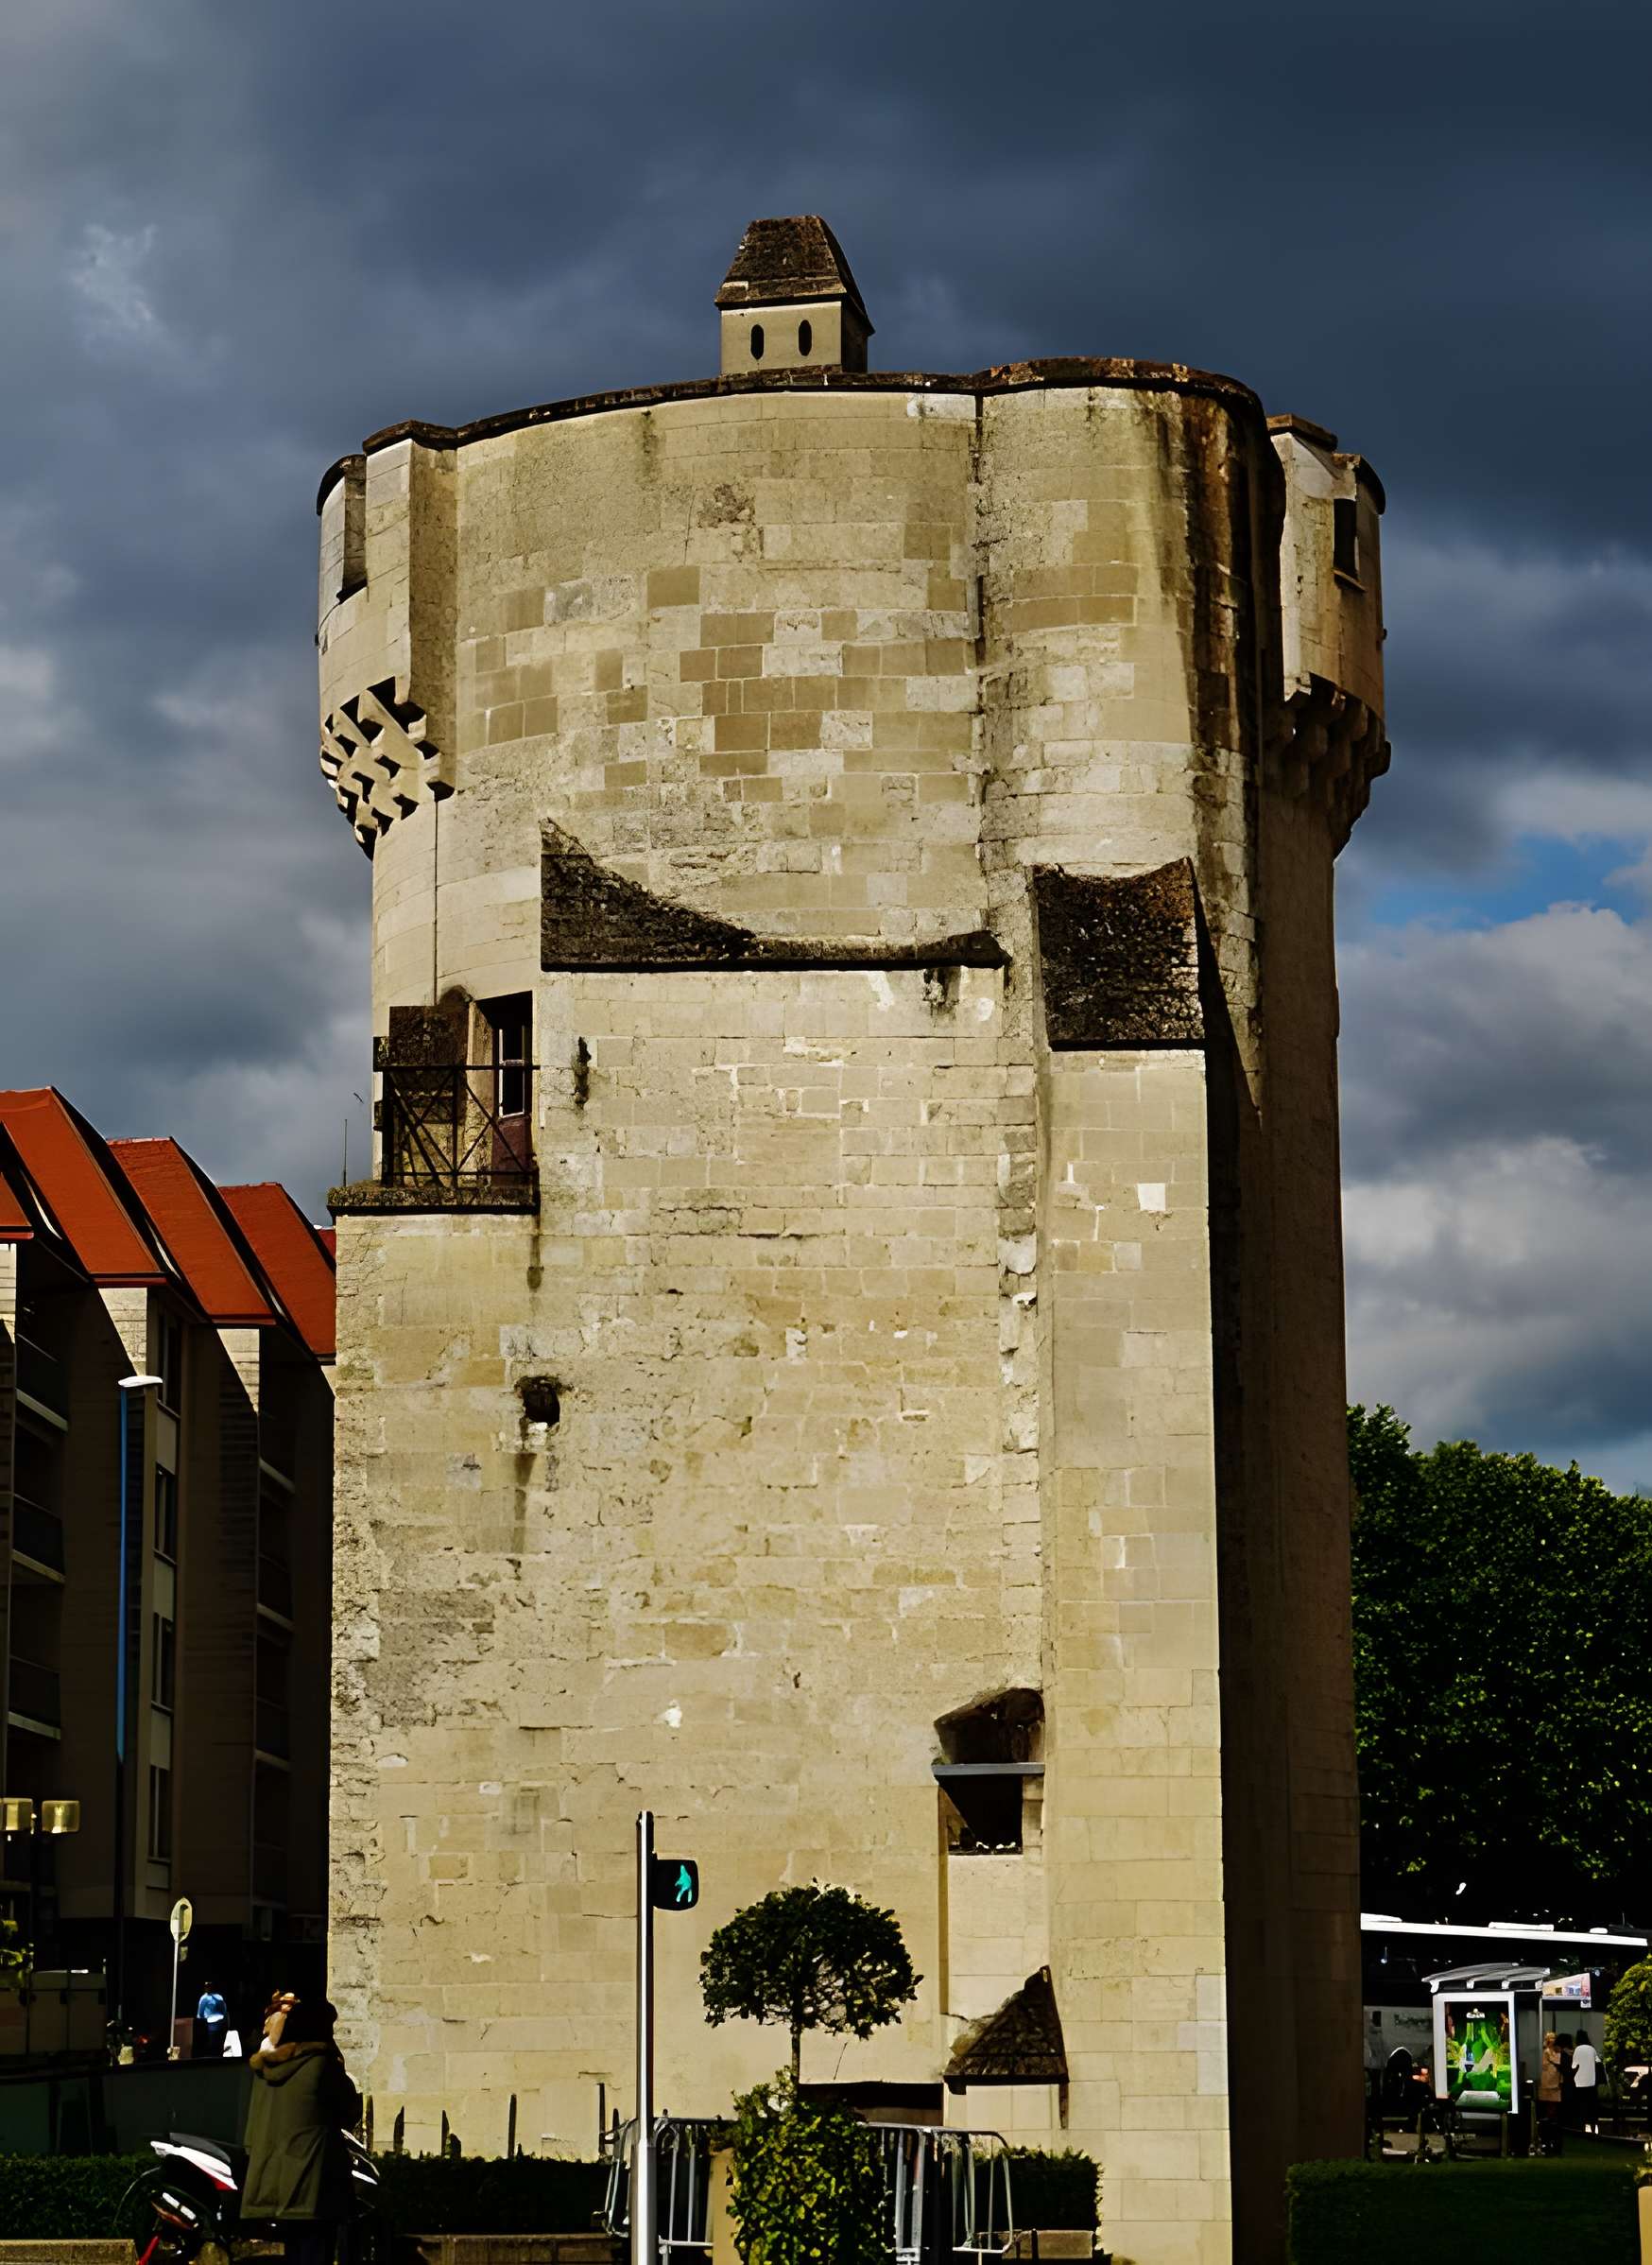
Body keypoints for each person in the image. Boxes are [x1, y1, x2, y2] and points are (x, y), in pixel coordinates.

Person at [242, 1994, 361, 2265]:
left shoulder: (265, 2068)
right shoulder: (321, 2063)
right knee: (316, 2251)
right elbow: (348, 2111)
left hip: (275, 2180)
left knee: (296, 2251)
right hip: (314, 2182)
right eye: (329, 2026)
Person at [1537, 2030, 1564, 2154]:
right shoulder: (1547, 2052)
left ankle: (1552, 2122)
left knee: (1554, 2104)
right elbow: (1554, 2062)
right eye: (1550, 2038)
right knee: (1549, 2104)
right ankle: (1548, 2123)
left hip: (1556, 2080)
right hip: (1548, 2081)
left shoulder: (1557, 2051)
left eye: (1554, 2038)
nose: (1552, 2040)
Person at [1572, 2032, 1601, 2133]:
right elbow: (1598, 2062)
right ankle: (1593, 2129)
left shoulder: (1577, 2050)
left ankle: (1582, 2130)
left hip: (1580, 2083)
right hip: (1592, 2082)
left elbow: (1574, 2065)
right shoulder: (1592, 2049)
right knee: (1592, 2107)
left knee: (1582, 2107)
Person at [195, 1983, 228, 2059]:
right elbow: (200, 2014)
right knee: (213, 2043)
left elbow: (224, 2010)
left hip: (218, 2023)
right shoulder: (204, 1998)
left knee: (216, 2043)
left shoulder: (218, 1997)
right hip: (211, 2023)